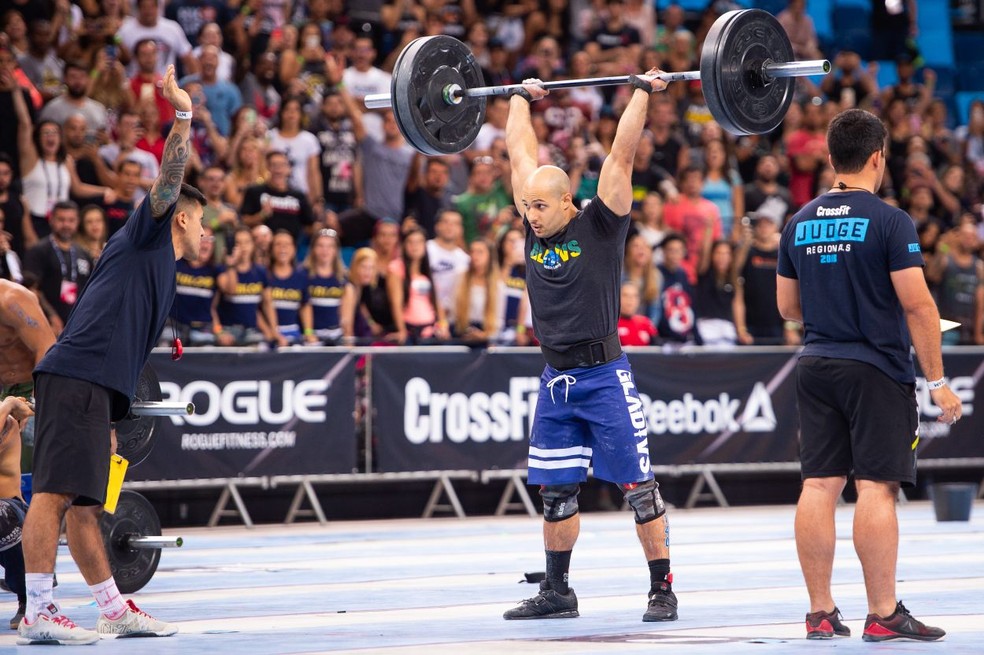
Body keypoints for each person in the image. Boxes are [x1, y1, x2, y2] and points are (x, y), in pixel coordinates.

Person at [18, 64, 199, 645]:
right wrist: (183, 115)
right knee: (52, 494)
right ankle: (39, 611)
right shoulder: (149, 231)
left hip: (96, 389)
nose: (209, 235)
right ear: (184, 217)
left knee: (84, 504)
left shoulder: (161, 271)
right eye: (204, 224)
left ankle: (112, 607)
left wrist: (119, 413)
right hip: (76, 376)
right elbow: (169, 181)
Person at [777, 108, 960, 642]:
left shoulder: (799, 220)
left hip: (815, 363)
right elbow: (920, 306)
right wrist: (937, 379)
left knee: (819, 483)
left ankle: (819, 612)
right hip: (874, 368)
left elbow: (789, 307)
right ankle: (882, 613)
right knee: (876, 488)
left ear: (831, 157)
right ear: (878, 157)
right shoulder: (889, 220)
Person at [502, 70, 678, 622]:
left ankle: (662, 590)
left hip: (604, 377)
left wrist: (644, 92)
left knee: (639, 489)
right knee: (555, 493)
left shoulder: (601, 226)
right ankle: (558, 592)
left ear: (567, 204)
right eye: (526, 207)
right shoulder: (534, 221)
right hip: (555, 383)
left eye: (539, 208)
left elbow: (620, 157)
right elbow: (517, 153)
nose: (530, 216)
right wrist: (518, 99)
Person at [0, 278, 57, 628]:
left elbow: (47, 351)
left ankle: (31, 590)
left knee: (25, 493)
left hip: (31, 389)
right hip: (4, 396)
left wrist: (32, 405)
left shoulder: (13, 299)